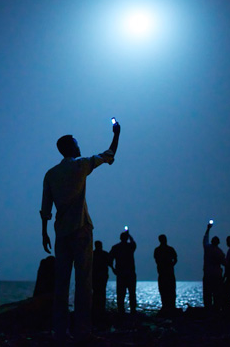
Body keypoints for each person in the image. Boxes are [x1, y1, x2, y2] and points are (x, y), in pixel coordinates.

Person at [40, 122, 121, 343]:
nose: (79, 147)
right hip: (81, 229)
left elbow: (45, 209)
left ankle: (60, 331)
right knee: (84, 282)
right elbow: (109, 153)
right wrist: (117, 134)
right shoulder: (81, 165)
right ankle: (82, 330)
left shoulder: (51, 174)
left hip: (61, 233)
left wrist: (44, 233)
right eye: (76, 145)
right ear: (71, 149)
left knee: (61, 284)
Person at [110, 230, 137, 314]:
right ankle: (132, 311)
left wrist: (113, 269)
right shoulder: (130, 247)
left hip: (121, 273)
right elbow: (133, 243)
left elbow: (109, 259)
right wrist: (129, 235)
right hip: (129, 273)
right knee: (131, 293)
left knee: (121, 294)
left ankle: (121, 311)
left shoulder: (116, 247)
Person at [202, 223, 225, 311]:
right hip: (217, 275)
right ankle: (216, 309)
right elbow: (224, 263)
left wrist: (208, 229)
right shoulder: (220, 252)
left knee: (207, 294)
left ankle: (208, 309)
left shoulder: (207, 248)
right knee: (216, 294)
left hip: (208, 274)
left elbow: (205, 239)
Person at [153, 234, 177, 312]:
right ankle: (168, 306)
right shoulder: (168, 249)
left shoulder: (158, 250)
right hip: (166, 273)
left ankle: (169, 307)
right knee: (167, 291)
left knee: (167, 290)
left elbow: (157, 261)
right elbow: (175, 259)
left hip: (165, 273)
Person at [92, 240, 110, 320]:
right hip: (101, 276)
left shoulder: (92, 254)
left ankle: (96, 309)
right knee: (101, 293)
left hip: (96, 276)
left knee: (96, 293)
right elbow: (110, 263)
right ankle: (101, 309)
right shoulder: (104, 254)